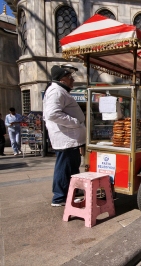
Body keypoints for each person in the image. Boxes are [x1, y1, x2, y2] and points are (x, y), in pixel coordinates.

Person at [43, 65, 86, 207]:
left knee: (72, 166)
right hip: (65, 139)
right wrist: (75, 122)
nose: (72, 80)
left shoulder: (60, 91)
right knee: (64, 167)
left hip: (70, 139)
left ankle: (71, 191)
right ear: (62, 79)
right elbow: (52, 113)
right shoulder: (56, 91)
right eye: (69, 77)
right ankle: (59, 197)